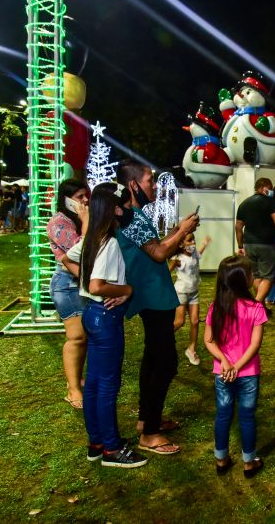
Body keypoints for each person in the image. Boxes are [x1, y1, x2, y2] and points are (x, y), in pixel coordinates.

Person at [116, 160, 200, 455]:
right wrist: (183, 230)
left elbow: (157, 248)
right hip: (152, 298)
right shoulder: (130, 218)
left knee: (153, 360)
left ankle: (146, 420)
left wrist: (178, 233)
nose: (154, 185)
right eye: (150, 180)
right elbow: (158, 252)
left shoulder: (136, 215)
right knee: (165, 364)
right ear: (133, 185)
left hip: (156, 296)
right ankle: (149, 434)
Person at [63, 182, 147, 468]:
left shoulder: (91, 237)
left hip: (91, 314)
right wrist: (126, 291)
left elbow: (65, 259)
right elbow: (99, 285)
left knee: (95, 384)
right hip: (104, 317)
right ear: (110, 209)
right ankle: (112, 449)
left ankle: (96, 442)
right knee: (107, 386)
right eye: (117, 205)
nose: (121, 209)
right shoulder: (108, 242)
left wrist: (88, 283)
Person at [203, 255, 266, 478]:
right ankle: (249, 462)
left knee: (223, 414)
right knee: (247, 416)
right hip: (248, 373)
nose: (253, 277)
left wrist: (226, 362)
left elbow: (208, 340)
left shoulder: (216, 307)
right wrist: (237, 366)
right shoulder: (256, 308)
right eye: (251, 274)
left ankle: (221, 459)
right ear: (243, 280)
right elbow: (255, 344)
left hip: (223, 373)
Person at [47, 179, 89, 409]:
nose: (85, 201)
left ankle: (77, 380)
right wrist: (86, 223)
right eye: (80, 197)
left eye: (86, 196)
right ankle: (73, 390)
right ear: (66, 199)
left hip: (80, 282)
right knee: (76, 337)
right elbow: (78, 250)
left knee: (85, 338)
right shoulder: (58, 222)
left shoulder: (74, 219)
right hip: (67, 284)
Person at [235, 178, 275, 306]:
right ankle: (257, 305)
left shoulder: (244, 204)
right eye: (270, 188)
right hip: (266, 244)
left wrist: (240, 246)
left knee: (256, 276)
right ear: (263, 187)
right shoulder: (270, 202)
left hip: (249, 244)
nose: (271, 191)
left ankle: (261, 306)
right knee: (269, 276)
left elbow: (238, 227)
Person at [171, 233, 212, 366]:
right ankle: (161, 338)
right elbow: (167, 269)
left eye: (194, 239)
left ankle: (191, 349)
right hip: (181, 292)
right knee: (179, 322)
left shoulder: (194, 255)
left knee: (195, 321)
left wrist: (204, 245)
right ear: (181, 244)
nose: (193, 242)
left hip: (194, 292)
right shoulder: (178, 259)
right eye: (190, 240)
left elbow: (198, 254)